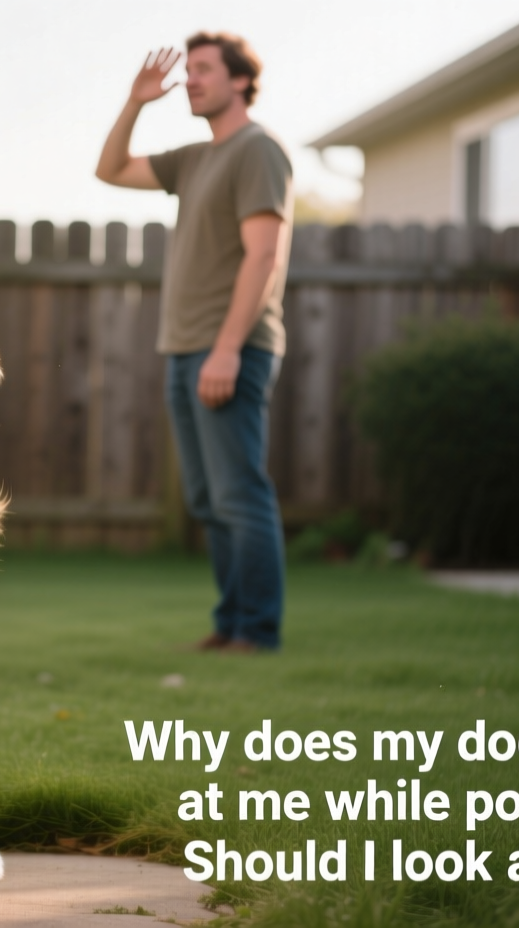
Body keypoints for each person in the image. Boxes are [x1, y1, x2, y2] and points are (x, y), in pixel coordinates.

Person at [94, 33, 292, 653]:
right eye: (190, 71)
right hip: (183, 348)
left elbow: (264, 255)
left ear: (240, 81)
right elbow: (110, 170)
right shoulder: (193, 159)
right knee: (208, 499)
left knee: (239, 492)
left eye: (205, 70)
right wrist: (136, 104)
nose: (192, 80)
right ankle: (232, 621)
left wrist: (229, 348)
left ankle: (256, 631)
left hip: (230, 347)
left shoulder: (258, 151)